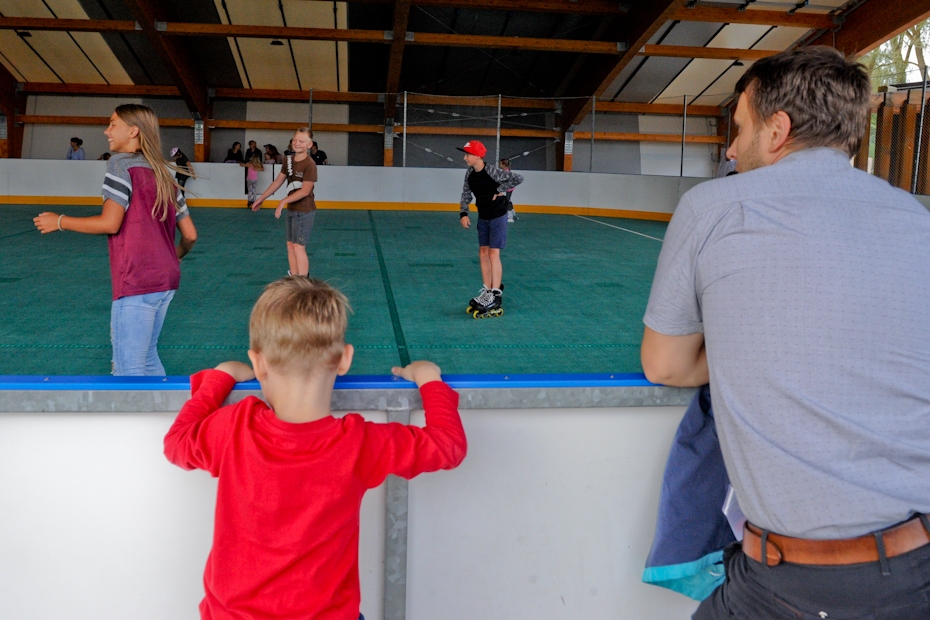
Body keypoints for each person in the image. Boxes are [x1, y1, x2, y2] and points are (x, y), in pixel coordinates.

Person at [640, 46, 930, 619]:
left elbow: (665, 365)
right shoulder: (915, 216)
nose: (729, 147)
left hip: (802, 585)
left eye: (739, 128)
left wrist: (740, 342)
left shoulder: (711, 207)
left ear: (778, 130)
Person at [164, 276, 467, 620]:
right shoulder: (359, 443)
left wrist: (218, 379)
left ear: (258, 362)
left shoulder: (234, 428)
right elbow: (448, 446)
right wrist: (430, 379)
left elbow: (176, 443)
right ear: (344, 359)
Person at [34, 104, 197, 376]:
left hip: (137, 279)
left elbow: (110, 223)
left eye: (112, 124)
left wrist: (60, 221)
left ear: (133, 131)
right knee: (147, 359)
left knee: (128, 370)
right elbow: (191, 235)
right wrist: (174, 255)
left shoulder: (119, 164)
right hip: (166, 280)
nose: (106, 131)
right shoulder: (163, 173)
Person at [458, 139, 523, 318]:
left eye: (468, 155)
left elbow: (518, 178)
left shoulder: (493, 171)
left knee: (494, 253)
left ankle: (495, 293)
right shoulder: (470, 173)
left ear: (478, 156)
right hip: (484, 215)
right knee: (482, 252)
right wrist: (463, 213)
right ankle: (487, 290)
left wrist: (501, 189)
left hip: (498, 215)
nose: (465, 158)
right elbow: (466, 193)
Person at [251, 128, 318, 276]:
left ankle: (303, 280)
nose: (297, 143)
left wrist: (283, 201)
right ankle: (294, 277)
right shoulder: (288, 160)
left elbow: (305, 191)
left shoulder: (310, 165)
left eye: (301, 141)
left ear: (309, 144)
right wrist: (261, 198)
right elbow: (278, 182)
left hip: (305, 211)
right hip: (292, 210)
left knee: (299, 246)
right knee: (290, 245)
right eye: (295, 140)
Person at [499, 158, 517, 222]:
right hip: (509, 188)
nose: (499, 165)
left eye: (500, 164)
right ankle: (513, 213)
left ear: (504, 165)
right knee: (508, 200)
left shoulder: (506, 172)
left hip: (509, 188)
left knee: (507, 201)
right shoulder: (506, 170)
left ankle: (510, 217)